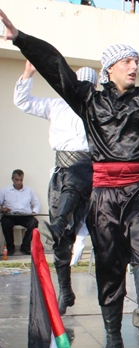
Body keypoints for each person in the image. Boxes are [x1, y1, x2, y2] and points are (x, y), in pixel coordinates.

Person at [1, 8, 139, 348]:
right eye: (126, 61)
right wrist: (21, 39)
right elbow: (56, 67)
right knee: (108, 266)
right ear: (109, 68)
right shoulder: (88, 100)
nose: (133, 66)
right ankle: (113, 339)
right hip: (105, 195)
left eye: (136, 61)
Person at [14, 60, 98, 315]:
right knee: (61, 241)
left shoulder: (99, 110)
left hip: (86, 170)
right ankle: (65, 290)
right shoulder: (57, 105)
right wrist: (28, 73)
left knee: (73, 184)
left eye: (89, 86)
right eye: (80, 84)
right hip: (60, 171)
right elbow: (23, 102)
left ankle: (59, 224)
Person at [0, 169, 40, 256]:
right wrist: (2, 209)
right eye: (16, 180)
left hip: (25, 215)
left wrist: (34, 211)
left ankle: (25, 247)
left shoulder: (29, 190)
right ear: (12, 179)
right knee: (5, 222)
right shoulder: (5, 191)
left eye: (21, 180)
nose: (19, 182)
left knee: (34, 222)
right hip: (10, 215)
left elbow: (36, 203)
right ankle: (10, 248)